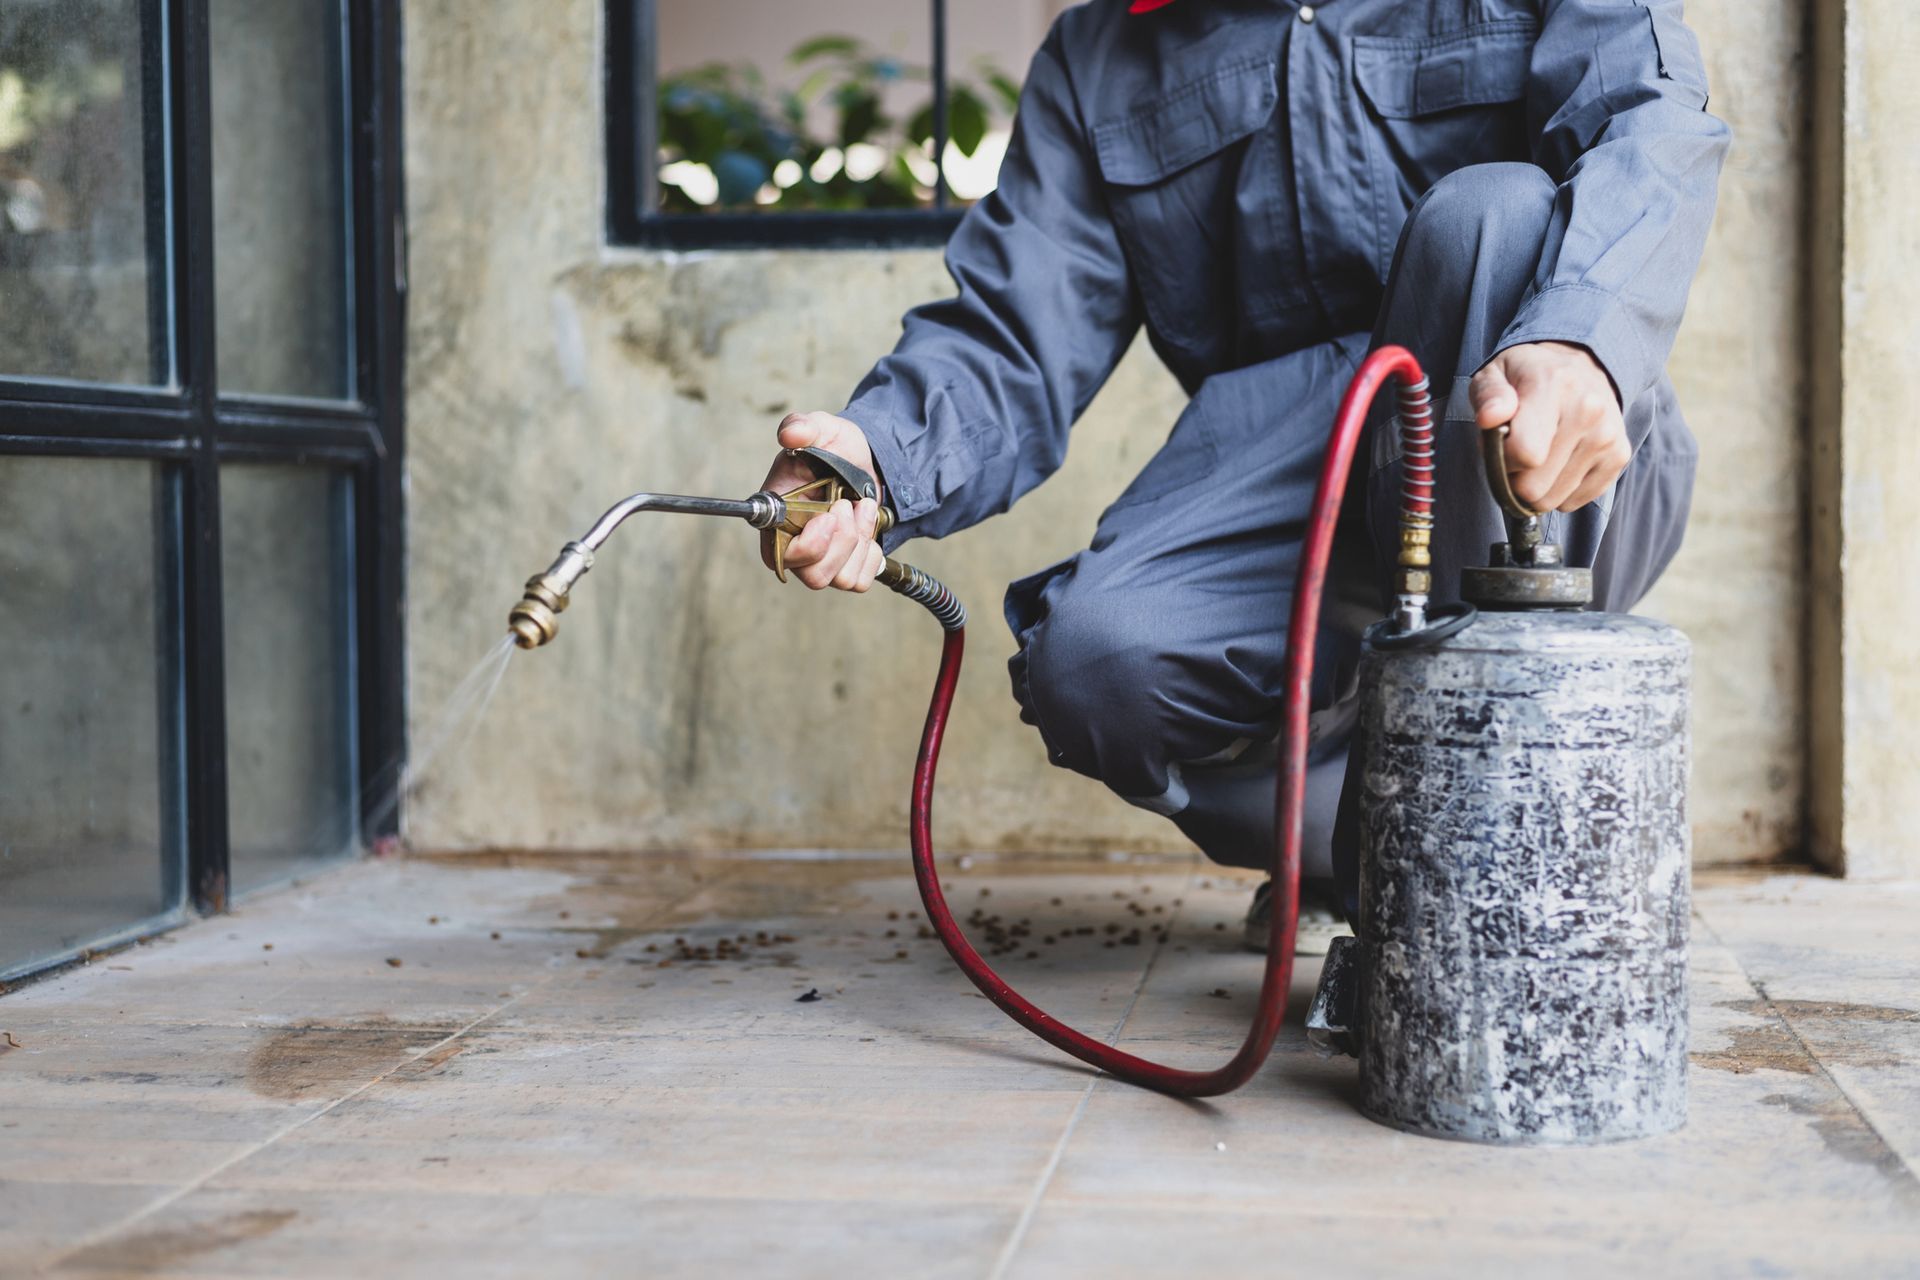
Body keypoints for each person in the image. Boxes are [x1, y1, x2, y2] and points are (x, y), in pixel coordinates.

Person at [759, 0, 1729, 949]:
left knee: (1493, 217)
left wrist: (1586, 336)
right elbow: (1016, 331)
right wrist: (873, 454)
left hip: (1522, 436)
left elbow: (1646, 114)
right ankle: (1349, 839)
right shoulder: (1101, 55)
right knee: (1094, 663)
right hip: (1282, 465)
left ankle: (1496, 882)